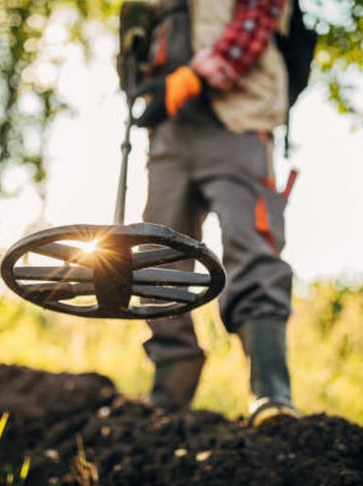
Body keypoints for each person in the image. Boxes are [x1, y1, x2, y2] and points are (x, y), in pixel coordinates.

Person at [128, 0, 299, 427]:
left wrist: (191, 79)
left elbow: (258, 20)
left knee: (251, 244)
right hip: (169, 134)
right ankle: (168, 396)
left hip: (237, 120)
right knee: (155, 256)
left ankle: (270, 393)